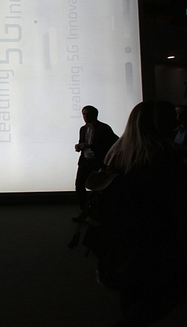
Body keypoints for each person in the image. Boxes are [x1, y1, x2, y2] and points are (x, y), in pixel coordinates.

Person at [97, 101, 187, 326]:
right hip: (159, 240)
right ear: (157, 123)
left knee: (132, 294)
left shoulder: (117, 153)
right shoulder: (165, 157)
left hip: (122, 238)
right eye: (170, 117)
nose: (176, 122)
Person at [73, 105, 118, 222]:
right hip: (85, 161)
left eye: (88, 114)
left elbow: (111, 144)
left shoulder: (104, 128)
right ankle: (85, 211)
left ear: (95, 115)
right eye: (84, 114)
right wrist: (79, 147)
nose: (85, 117)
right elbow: (82, 143)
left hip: (98, 162)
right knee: (79, 186)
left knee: (100, 189)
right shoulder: (83, 129)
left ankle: (100, 213)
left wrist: (89, 146)